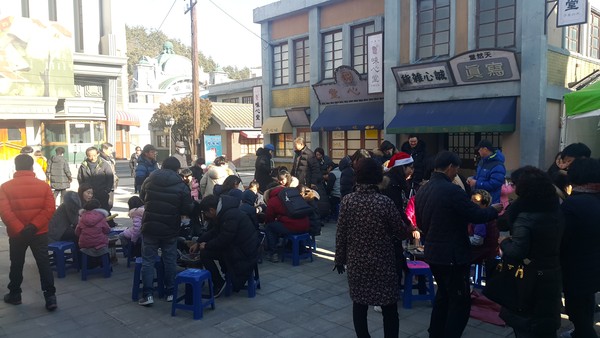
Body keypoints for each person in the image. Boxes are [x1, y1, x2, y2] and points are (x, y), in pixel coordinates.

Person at [414, 151, 501, 338]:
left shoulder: (424, 189)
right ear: (450, 167)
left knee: (443, 295)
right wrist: (494, 211)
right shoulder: (452, 191)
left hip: (433, 253)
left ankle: (435, 332)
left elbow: (420, 223)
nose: (456, 173)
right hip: (452, 255)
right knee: (460, 301)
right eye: (456, 169)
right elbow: (476, 215)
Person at [334, 157, 409, 338]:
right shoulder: (384, 202)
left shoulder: (347, 201)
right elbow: (401, 232)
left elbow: (341, 233)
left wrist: (339, 259)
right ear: (377, 177)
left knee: (359, 305)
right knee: (389, 307)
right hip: (383, 262)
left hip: (357, 261)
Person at [497, 166, 564, 338]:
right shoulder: (555, 209)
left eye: (514, 184)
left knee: (526, 324)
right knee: (545, 324)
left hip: (528, 277)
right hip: (552, 272)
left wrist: (504, 242)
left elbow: (517, 251)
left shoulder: (525, 216)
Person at [0, 154, 57, 311]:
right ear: (32, 167)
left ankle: (15, 294)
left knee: (17, 263)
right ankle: (50, 297)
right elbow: (49, 209)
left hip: (17, 234)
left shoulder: (5, 187)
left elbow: (4, 212)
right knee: (44, 263)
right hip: (39, 232)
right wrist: (34, 226)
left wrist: (20, 228)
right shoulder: (44, 186)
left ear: (15, 167)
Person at [138, 157, 193, 306]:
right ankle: (170, 292)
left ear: (162, 166)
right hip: (170, 228)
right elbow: (187, 209)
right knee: (169, 260)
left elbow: (142, 198)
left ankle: (147, 295)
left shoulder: (149, 180)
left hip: (150, 226)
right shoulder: (181, 186)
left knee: (148, 261)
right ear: (177, 169)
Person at [559, 158, 600, 338]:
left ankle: (583, 333)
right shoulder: (594, 199)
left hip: (576, 267)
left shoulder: (573, 205)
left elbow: (562, 238)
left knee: (577, 310)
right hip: (594, 264)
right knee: (587, 302)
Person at [190, 194, 258, 296]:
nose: (206, 216)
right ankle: (220, 280)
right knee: (206, 250)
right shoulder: (225, 212)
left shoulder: (229, 215)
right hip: (240, 246)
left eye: (205, 213)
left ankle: (219, 283)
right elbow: (215, 231)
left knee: (205, 253)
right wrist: (199, 242)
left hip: (243, 252)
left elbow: (224, 239)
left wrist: (207, 245)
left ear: (212, 210)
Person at [263, 184, 310, 263]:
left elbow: (269, 218)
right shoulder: (293, 194)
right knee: (282, 225)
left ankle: (273, 253)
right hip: (306, 224)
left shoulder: (273, 200)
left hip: (292, 226)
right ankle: (299, 248)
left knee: (269, 227)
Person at [77, 146, 114, 215]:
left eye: (94, 155)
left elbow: (110, 177)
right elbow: (80, 178)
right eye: (89, 156)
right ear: (87, 155)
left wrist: (107, 190)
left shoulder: (104, 164)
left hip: (102, 192)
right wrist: (83, 190)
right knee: (89, 210)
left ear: (98, 154)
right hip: (88, 193)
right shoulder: (83, 165)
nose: (92, 158)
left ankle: (107, 223)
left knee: (104, 210)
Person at [467, 139, 506, 204]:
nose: (478, 151)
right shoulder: (482, 162)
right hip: (479, 199)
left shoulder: (497, 165)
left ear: (485, 149)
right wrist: (472, 178)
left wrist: (476, 183)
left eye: (480, 149)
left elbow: (495, 184)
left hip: (490, 201)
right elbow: (479, 177)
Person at [75, 199, 111, 267]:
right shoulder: (101, 217)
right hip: (99, 243)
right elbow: (107, 230)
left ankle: (89, 265)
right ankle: (104, 265)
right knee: (105, 240)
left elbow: (77, 232)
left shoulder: (82, 218)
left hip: (85, 244)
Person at [467, 189, 499, 265]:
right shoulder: (487, 216)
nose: (471, 203)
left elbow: (477, 241)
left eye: (476, 200)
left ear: (484, 204)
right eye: (471, 200)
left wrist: (462, 238)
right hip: (488, 255)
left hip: (480, 257)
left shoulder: (480, 220)